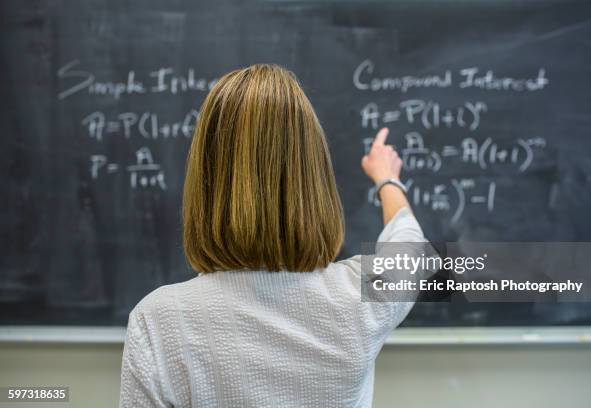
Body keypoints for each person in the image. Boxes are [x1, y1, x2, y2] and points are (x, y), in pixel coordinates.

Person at [119, 64, 427, 407]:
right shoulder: (360, 299)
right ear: (313, 176)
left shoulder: (159, 320)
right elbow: (412, 249)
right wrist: (387, 178)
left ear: (205, 178)